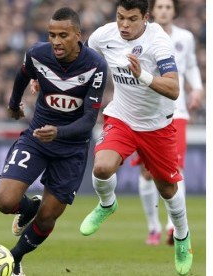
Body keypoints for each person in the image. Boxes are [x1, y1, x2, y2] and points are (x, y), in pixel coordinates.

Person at [78, 0, 193, 274]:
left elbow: (174, 89)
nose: (124, 25)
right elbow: (84, 62)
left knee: (167, 189)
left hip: (157, 126)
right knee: (102, 166)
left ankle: (182, 237)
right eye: (120, 18)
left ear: (146, 17)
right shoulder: (103, 36)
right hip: (122, 117)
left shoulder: (159, 43)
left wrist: (143, 76)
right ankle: (107, 204)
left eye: (131, 19)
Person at [0, 7, 108, 276]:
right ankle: (28, 206)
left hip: (71, 149)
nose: (56, 41)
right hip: (37, 138)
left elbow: (89, 119)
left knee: (47, 218)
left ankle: (13, 260)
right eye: (51, 34)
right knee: (4, 201)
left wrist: (58, 132)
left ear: (78, 35)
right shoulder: (37, 53)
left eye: (63, 35)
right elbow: (23, 74)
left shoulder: (96, 66)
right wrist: (14, 105)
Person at [133, 0, 205, 247]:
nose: (164, 10)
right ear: (153, 11)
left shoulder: (185, 37)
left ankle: (172, 226)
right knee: (146, 173)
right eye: (160, 7)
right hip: (148, 113)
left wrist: (197, 88)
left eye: (168, 7)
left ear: (174, 11)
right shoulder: (141, 37)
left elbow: (191, 66)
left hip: (177, 111)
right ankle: (153, 226)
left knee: (176, 169)